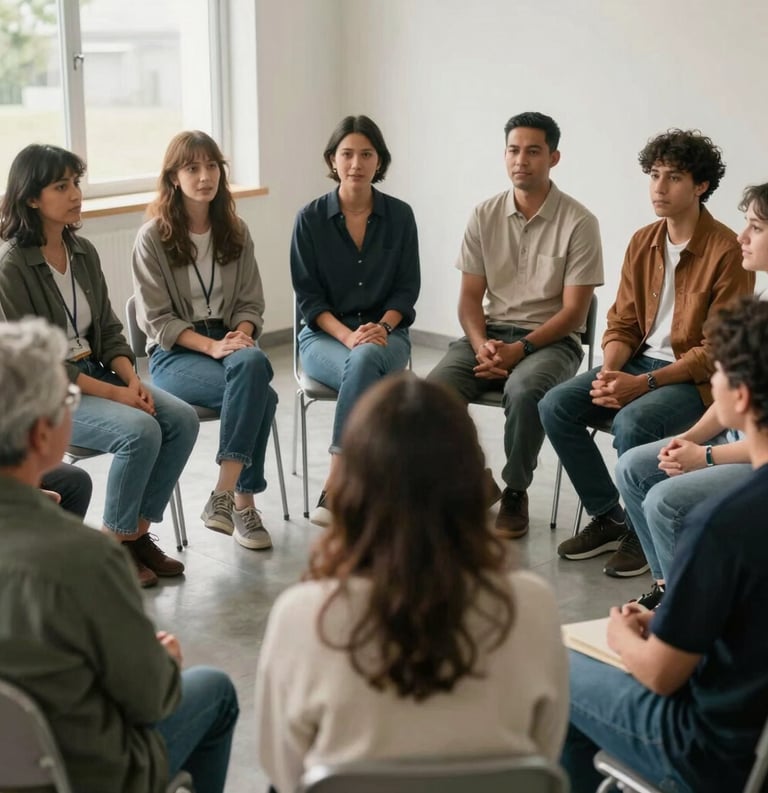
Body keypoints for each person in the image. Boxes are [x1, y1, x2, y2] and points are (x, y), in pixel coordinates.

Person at [255, 375, 567, 793]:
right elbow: (543, 756)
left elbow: (284, 773)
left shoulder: (304, 614)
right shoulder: (532, 606)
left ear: (352, 489)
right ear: (472, 484)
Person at [0, 317, 239, 793]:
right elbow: (150, 699)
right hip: (89, 775)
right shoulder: (87, 558)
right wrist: (164, 662)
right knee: (214, 691)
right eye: (67, 401)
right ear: (41, 435)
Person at [563, 296, 768, 793]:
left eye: (716, 374)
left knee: (557, 667)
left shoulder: (724, 525)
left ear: (738, 396)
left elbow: (661, 675)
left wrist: (622, 638)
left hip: (714, 752)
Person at [539, 129, 754, 577]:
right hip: (636, 363)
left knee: (633, 420)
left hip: (693, 379)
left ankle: (641, 533)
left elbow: (716, 351)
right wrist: (611, 373)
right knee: (555, 404)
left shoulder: (728, 250)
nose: (659, 187)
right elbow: (623, 320)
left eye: (673, 177)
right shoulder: (644, 241)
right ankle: (609, 515)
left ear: (700, 186)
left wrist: (645, 383)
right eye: (654, 175)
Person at [0, 144, 199, 588]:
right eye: (61, 186)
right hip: (51, 391)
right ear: (32, 198)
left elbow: (109, 328)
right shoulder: (11, 266)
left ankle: (135, 535)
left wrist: (133, 379)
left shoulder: (84, 252)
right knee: (139, 430)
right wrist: (119, 394)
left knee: (181, 419)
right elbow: (40, 363)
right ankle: (114, 545)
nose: (75, 194)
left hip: (103, 374)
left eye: (76, 183)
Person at [427, 111, 604, 539]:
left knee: (524, 391)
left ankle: (515, 491)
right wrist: (482, 343)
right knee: (430, 396)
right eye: (513, 150)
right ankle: (474, 480)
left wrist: (518, 352)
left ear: (554, 157)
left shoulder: (580, 222)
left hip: (551, 342)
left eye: (532, 151)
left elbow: (574, 315)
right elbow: (469, 299)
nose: (520, 160)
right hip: (487, 335)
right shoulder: (483, 215)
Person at [615, 182, 768, 609]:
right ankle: (669, 587)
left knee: (665, 499)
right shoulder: (763, 299)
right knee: (632, 467)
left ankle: (687, 610)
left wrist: (705, 458)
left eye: (755, 227)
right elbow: (734, 397)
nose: (741, 237)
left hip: (759, 460)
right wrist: (695, 439)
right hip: (737, 444)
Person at [132, 130, 276, 551]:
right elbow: (157, 322)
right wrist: (212, 346)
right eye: (192, 168)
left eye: (211, 166)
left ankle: (222, 495)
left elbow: (252, 301)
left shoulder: (235, 230)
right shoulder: (152, 239)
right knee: (261, 395)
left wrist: (240, 336)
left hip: (230, 343)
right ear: (174, 177)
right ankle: (243, 502)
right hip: (176, 355)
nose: (204, 176)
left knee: (251, 367)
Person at [290, 115, 420, 526]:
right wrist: (348, 335)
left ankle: (339, 482)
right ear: (333, 160)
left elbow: (406, 290)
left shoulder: (400, 216)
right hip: (324, 337)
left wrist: (381, 326)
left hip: (388, 333)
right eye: (347, 154)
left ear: (379, 162)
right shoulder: (309, 219)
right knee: (362, 362)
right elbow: (309, 299)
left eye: (367, 154)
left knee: (365, 360)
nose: (356, 163)